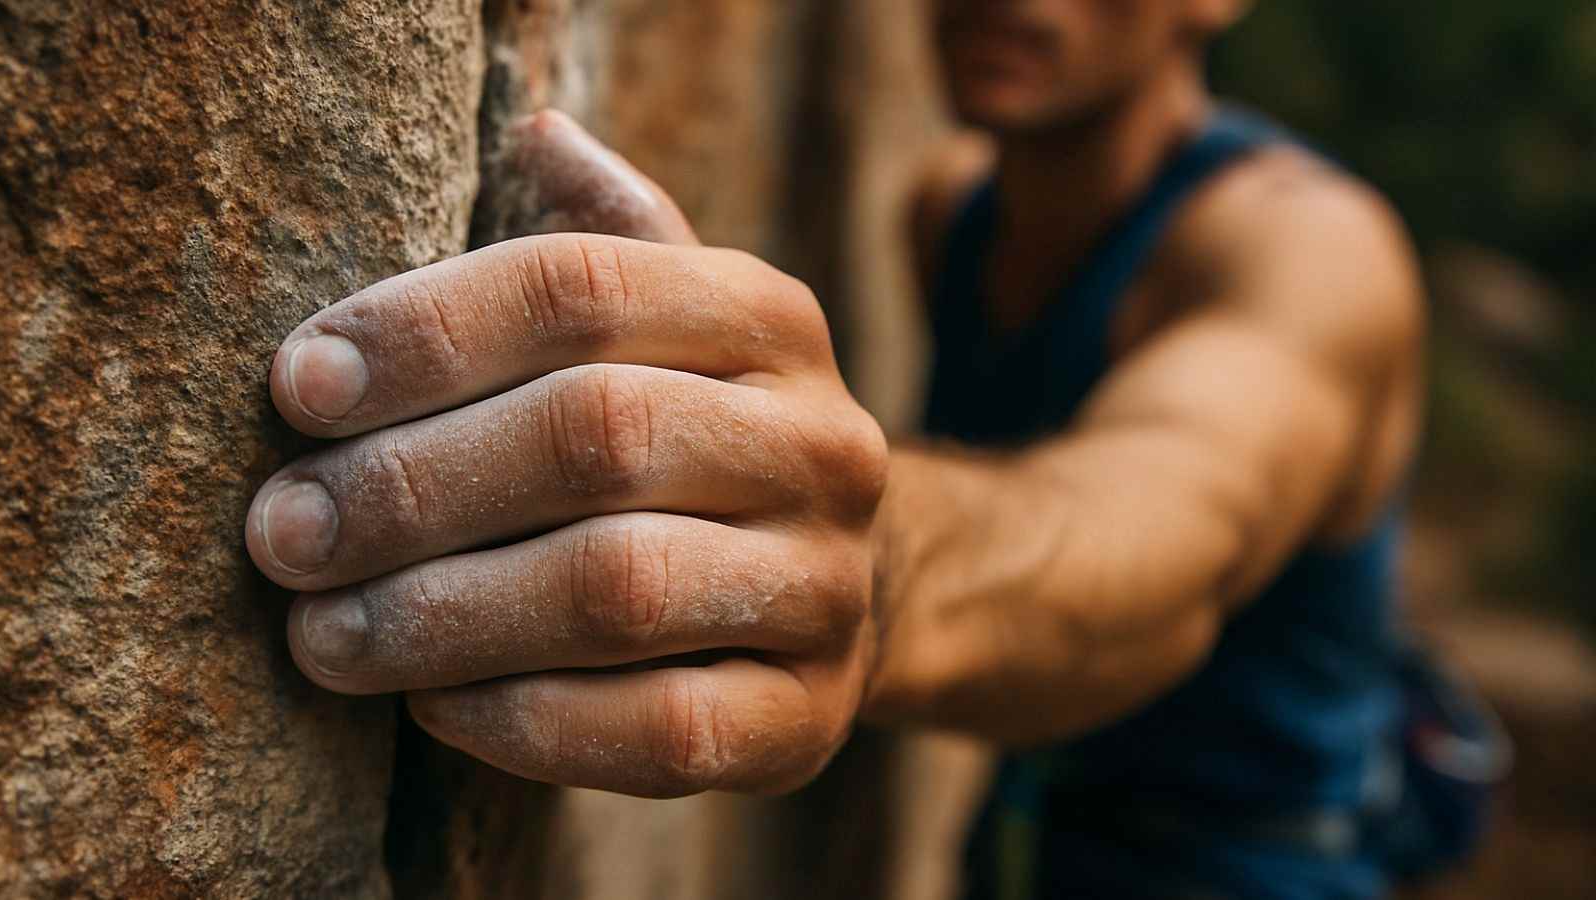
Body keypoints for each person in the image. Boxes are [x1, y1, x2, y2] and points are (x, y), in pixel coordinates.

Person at [244, 1, 1425, 895]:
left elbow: (1167, 533)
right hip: (1024, 840)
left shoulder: (1313, 254)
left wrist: (864, 567)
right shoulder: (951, 216)